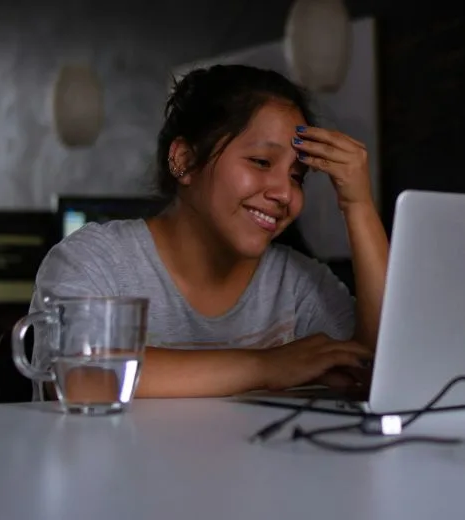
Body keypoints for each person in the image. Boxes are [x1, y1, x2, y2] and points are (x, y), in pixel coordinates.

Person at [30, 64, 389, 399]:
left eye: (297, 177)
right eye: (261, 162)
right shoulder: (95, 261)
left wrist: (358, 206)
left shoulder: (296, 285)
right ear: (184, 161)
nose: (285, 194)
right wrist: (266, 365)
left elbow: (381, 372)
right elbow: (79, 381)